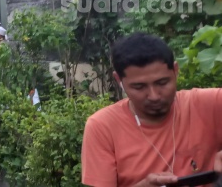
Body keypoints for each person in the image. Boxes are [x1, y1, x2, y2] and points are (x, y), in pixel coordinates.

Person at [81, 32, 222, 187]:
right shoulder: (102, 127)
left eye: (162, 82)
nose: (154, 96)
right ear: (119, 80)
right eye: (139, 87)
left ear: (175, 71)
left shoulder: (209, 104)